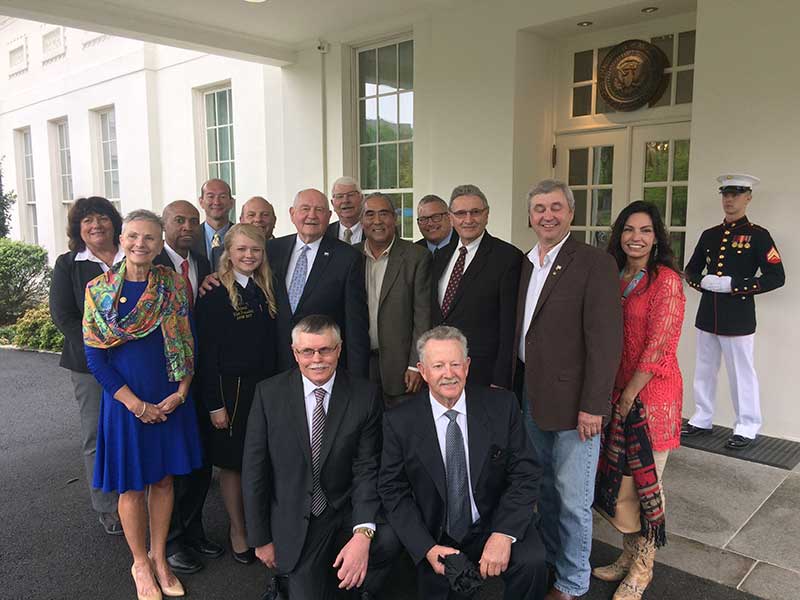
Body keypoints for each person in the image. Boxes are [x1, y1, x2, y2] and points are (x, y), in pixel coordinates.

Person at [83, 210, 203, 600]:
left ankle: (160, 557)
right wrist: (136, 405)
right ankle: (140, 564)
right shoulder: (98, 291)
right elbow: (96, 360)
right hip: (125, 403)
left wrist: (182, 392)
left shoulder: (173, 284)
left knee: (164, 480)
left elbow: (188, 342)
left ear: (158, 242)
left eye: (149, 238)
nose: (140, 244)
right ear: (121, 239)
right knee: (132, 487)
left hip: (170, 400)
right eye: (133, 236)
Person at [512, 179, 622, 600]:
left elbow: (605, 341)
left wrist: (594, 405)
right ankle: (557, 565)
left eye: (556, 207)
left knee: (574, 499)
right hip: (532, 398)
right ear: (530, 215)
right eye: (539, 208)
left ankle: (574, 583)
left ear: (571, 213)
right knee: (544, 492)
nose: (547, 215)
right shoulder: (525, 262)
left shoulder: (593, 263)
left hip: (578, 405)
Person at [379, 325, 547, 600]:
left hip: (491, 520)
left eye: (455, 364)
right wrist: (426, 548)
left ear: (467, 366)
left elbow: (526, 473)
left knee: (533, 560)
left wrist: (504, 534)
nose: (448, 373)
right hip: (437, 532)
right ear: (423, 371)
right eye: (438, 366)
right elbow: (392, 490)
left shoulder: (501, 406)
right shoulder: (400, 421)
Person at [242, 315, 400, 600]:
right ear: (295, 353)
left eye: (325, 350)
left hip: (343, 507)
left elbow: (366, 467)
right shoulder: (269, 394)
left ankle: (359, 588)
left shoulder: (364, 395)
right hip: (295, 515)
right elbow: (254, 470)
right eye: (307, 351)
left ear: (339, 349)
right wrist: (261, 538)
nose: (317, 359)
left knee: (388, 540)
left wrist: (363, 534)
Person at [592, 200, 685, 600]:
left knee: (649, 484)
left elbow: (659, 345)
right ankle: (628, 555)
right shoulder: (613, 275)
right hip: (617, 394)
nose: (636, 238)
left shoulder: (665, 280)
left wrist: (629, 395)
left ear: (656, 236)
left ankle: (643, 567)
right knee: (622, 481)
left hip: (653, 397)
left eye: (645, 231)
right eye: (630, 230)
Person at [682, 174, 785, 449]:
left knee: (741, 373)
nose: (729, 200)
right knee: (704, 370)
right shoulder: (709, 235)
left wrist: (736, 285)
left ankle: (747, 425)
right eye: (726, 194)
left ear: (748, 197)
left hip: (738, 317)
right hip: (707, 315)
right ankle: (702, 418)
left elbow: (776, 276)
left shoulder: (759, 236)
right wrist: (700, 281)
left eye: (736, 194)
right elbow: (690, 269)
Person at [195, 223, 278, 566]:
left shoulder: (266, 288)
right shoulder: (214, 295)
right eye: (241, 249)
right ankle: (238, 530)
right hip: (233, 391)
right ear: (227, 253)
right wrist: (215, 403)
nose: (248, 255)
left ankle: (264, 529)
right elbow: (207, 354)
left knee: (263, 460)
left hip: (268, 387)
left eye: (255, 250)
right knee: (234, 465)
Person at [153, 200, 223, 575]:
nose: (187, 226)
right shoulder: (152, 264)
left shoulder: (201, 262)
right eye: (178, 220)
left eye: (192, 220)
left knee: (199, 459)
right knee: (174, 465)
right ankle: (171, 540)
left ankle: (194, 530)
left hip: (199, 376)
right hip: (167, 379)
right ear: (165, 224)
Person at [49, 196, 125, 536]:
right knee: (97, 434)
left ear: (114, 223)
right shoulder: (69, 264)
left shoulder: (133, 256)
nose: (97, 225)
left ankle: (138, 497)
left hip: (134, 361)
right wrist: (98, 347)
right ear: (79, 229)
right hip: (89, 365)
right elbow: (63, 316)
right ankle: (107, 506)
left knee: (134, 428)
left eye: (103, 218)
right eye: (88, 220)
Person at [268, 188, 370, 377]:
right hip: (274, 365)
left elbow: (355, 324)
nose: (311, 216)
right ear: (292, 213)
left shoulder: (347, 258)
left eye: (319, 210)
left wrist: (357, 378)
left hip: (323, 366)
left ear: (329, 215)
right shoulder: (272, 250)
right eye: (305, 209)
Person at [431, 184, 522, 388]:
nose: (469, 219)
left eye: (476, 212)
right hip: (441, 370)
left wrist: (501, 379)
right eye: (461, 213)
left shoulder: (507, 258)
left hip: (483, 373)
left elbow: (509, 326)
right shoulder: (441, 256)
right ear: (451, 217)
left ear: (487, 214)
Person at [357, 192, 431, 406]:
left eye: (384, 214)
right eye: (370, 214)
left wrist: (416, 365)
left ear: (395, 218)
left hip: (401, 369)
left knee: (400, 433)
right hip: (360, 366)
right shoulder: (350, 257)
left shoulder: (416, 257)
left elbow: (423, 315)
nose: (377, 221)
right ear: (362, 221)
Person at [192, 178, 234, 269]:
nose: (216, 202)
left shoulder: (241, 236)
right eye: (210, 196)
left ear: (231, 202)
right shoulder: (191, 236)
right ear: (201, 202)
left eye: (222, 197)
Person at [326, 176, 364, 244]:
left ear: (361, 199)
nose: (345, 201)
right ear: (332, 203)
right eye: (340, 196)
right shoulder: (324, 233)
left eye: (351, 195)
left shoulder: (373, 230)